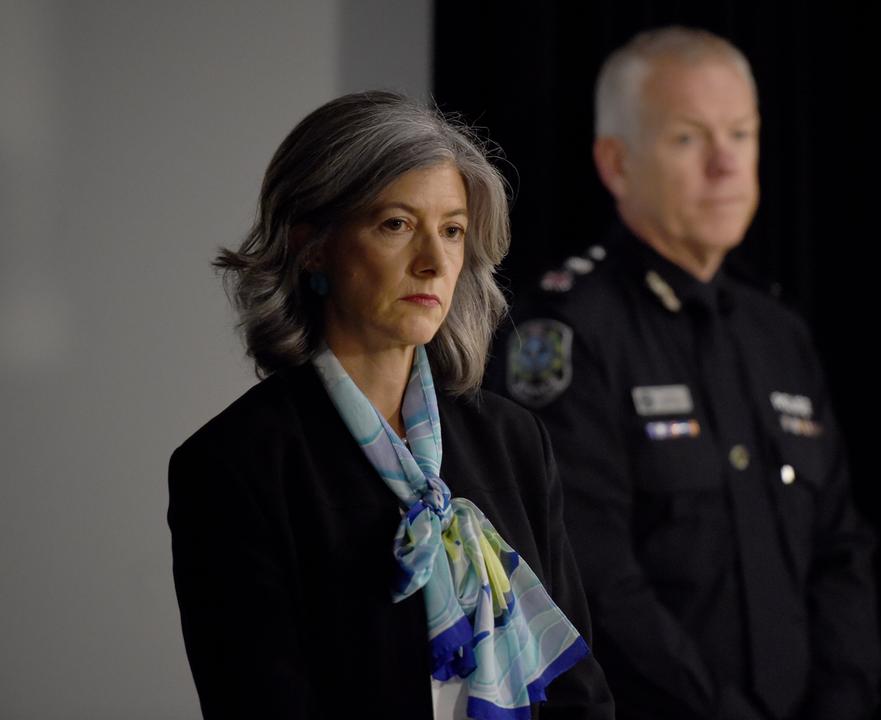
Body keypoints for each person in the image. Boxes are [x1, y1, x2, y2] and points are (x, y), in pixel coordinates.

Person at [167, 91, 614, 720]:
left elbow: (579, 691)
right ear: (313, 246)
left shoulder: (515, 440)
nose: (434, 262)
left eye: (452, 230)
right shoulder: (233, 463)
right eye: (396, 225)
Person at [493, 28, 881, 720]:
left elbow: (840, 551)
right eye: (688, 139)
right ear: (616, 164)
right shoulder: (566, 333)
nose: (725, 164)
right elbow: (591, 577)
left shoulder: (779, 334)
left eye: (741, 133)